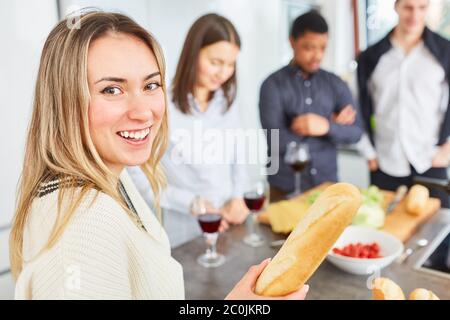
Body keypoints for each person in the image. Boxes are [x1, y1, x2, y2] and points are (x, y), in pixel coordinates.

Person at [9, 11, 308, 300]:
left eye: (151, 85)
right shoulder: (83, 229)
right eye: (112, 89)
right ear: (64, 100)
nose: (143, 112)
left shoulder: (113, 177)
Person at [130, 14, 250, 248]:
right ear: (193, 54)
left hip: (228, 224)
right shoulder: (161, 103)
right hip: (185, 231)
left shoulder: (227, 102)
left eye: (230, 64)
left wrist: (238, 196)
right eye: (216, 62)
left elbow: (239, 155)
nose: (223, 73)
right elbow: (136, 175)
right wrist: (191, 203)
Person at [259, 10, 363, 202]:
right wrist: (331, 128)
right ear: (292, 42)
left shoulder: (335, 83)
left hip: (328, 188)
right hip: (284, 190)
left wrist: (324, 125)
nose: (317, 55)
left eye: (322, 47)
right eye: (309, 48)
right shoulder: (272, 85)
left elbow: (356, 133)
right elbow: (276, 141)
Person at [356, 0, 450, 207]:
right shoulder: (370, 57)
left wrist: (447, 149)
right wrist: (368, 153)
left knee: (439, 234)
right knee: (387, 231)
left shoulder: (445, 52)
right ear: (396, 6)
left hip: (430, 160)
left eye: (422, 8)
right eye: (408, 7)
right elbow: (360, 108)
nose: (415, 15)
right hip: (384, 162)